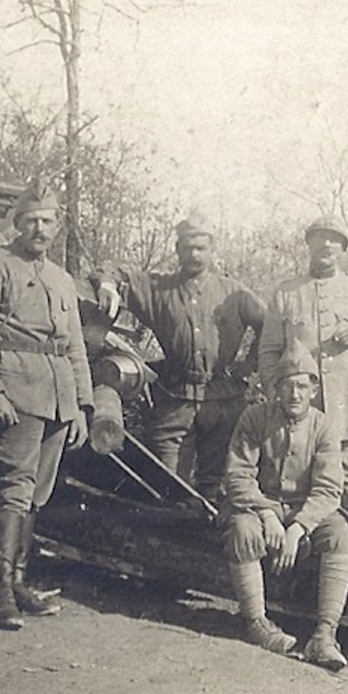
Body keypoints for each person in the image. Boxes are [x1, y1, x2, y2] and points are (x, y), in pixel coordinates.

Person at [0, 185, 95, 628]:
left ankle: (17, 581)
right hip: (16, 392)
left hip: (57, 396)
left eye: (48, 220)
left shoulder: (62, 279)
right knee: (14, 488)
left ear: (58, 226)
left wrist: (82, 405)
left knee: (38, 492)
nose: (39, 228)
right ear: (17, 223)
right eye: (31, 219)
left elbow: (74, 345)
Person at [94, 212, 265, 500]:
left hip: (223, 400)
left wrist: (250, 363)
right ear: (177, 249)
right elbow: (111, 270)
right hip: (174, 400)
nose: (194, 254)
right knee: (168, 484)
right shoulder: (159, 289)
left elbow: (271, 327)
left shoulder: (234, 293)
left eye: (201, 248)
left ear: (213, 250)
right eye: (187, 247)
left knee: (218, 487)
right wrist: (107, 285)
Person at [257, 214, 348, 537]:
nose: (327, 244)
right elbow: (268, 351)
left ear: (343, 248)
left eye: (334, 239)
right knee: (309, 492)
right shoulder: (287, 293)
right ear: (309, 244)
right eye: (319, 237)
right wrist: (274, 394)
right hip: (306, 409)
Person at [222, 346, 348, 671]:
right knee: (242, 530)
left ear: (314, 389)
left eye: (302, 386)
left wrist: (298, 528)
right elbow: (237, 475)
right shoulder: (255, 418)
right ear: (276, 388)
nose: (294, 394)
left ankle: (325, 634)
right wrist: (267, 514)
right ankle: (256, 623)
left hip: (303, 510)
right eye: (287, 385)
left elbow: (327, 490)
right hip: (259, 506)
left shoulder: (323, 427)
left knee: (340, 535)